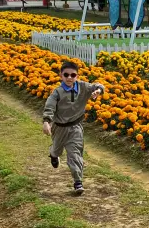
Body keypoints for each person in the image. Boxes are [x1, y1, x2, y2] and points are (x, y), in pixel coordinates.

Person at [42, 61, 105, 195]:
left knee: (74, 153)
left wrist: (98, 91)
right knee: (57, 150)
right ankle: (53, 154)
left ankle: (78, 182)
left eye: (73, 75)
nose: (69, 77)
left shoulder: (83, 87)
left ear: (77, 75)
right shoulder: (57, 92)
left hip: (75, 127)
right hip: (59, 128)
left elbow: (98, 85)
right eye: (66, 75)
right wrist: (47, 121)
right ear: (61, 76)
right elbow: (50, 106)